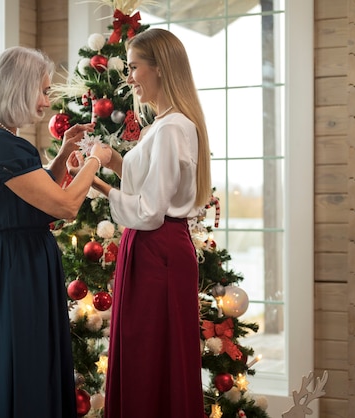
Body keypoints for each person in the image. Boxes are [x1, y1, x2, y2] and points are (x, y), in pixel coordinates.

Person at [0, 46, 112, 418]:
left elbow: (38, 198)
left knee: (15, 362)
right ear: (19, 90)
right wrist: (94, 160)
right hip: (13, 270)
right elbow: (65, 206)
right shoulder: (1, 147)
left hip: (10, 264)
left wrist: (64, 154)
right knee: (23, 361)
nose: (46, 101)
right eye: (42, 91)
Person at [92, 28, 211, 418]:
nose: (128, 77)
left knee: (150, 357)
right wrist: (111, 163)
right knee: (149, 353)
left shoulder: (172, 128)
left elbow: (150, 210)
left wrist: (102, 188)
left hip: (156, 249)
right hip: (153, 247)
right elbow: (152, 188)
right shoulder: (164, 125)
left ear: (160, 69)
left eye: (134, 67)